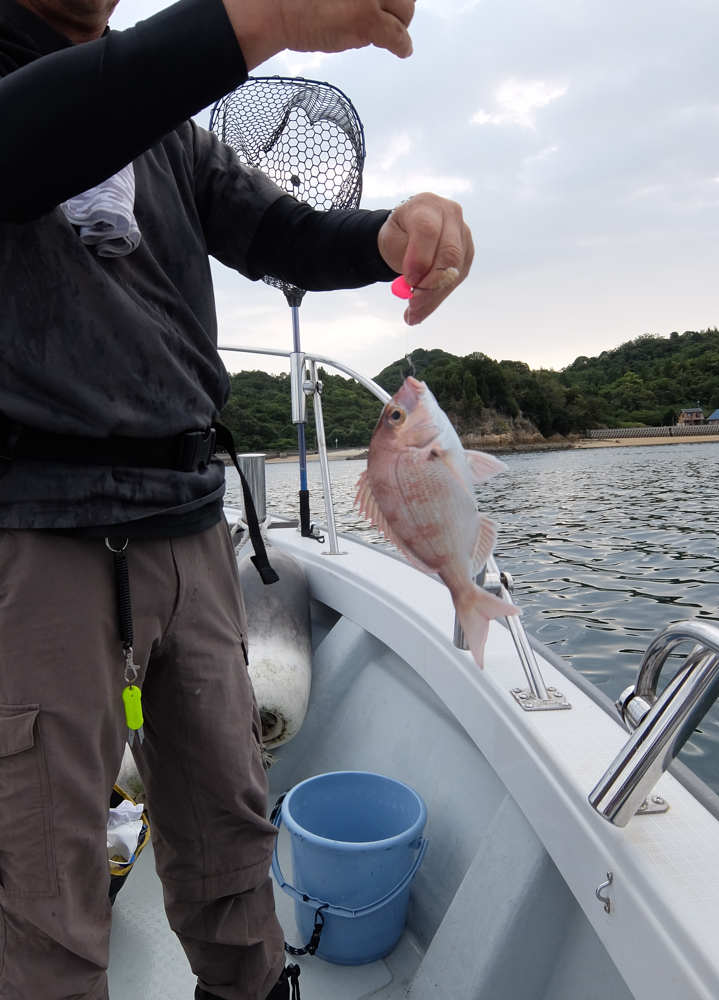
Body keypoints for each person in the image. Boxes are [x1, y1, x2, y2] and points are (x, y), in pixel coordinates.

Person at [0, 0, 474, 997]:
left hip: (188, 525)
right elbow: (30, 135)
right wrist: (254, 21)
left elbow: (276, 229)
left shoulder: (165, 124)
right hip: (37, 538)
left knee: (230, 835)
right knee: (45, 896)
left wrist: (385, 235)